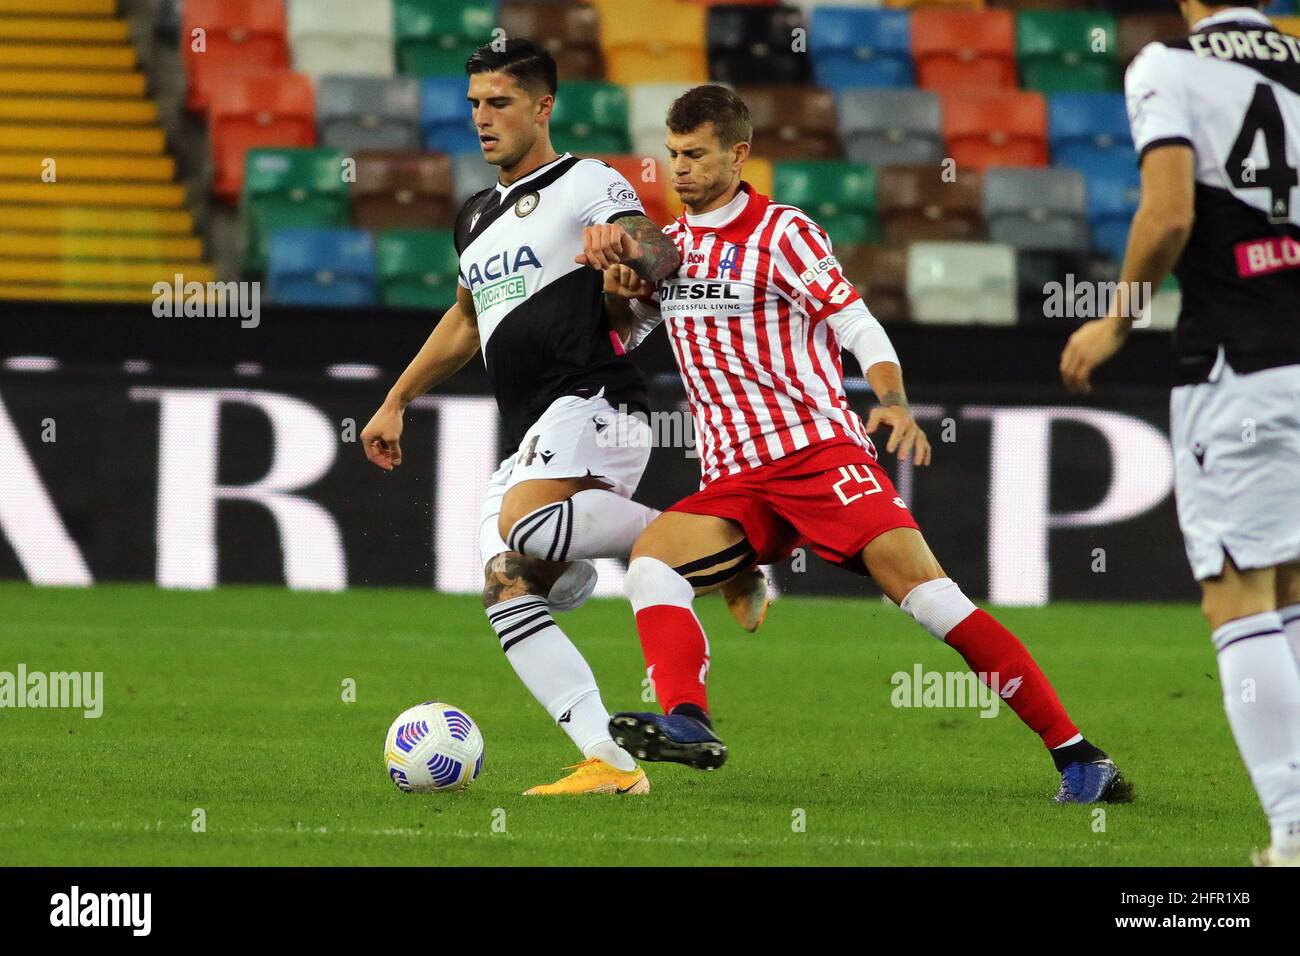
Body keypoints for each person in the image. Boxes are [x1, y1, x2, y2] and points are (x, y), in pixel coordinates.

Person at [598, 84, 1128, 803]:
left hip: (817, 456)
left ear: (738, 154)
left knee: (933, 600)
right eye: (673, 156)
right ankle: (690, 721)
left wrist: (894, 400)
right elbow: (623, 333)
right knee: (652, 562)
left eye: (695, 155)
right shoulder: (672, 250)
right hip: (736, 478)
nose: (680, 169)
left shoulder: (784, 233)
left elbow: (855, 324)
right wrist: (615, 289)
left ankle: (1080, 756)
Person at [361, 41, 761, 796]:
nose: (483, 118)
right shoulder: (474, 217)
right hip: (532, 433)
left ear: (542, 108)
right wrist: (396, 400)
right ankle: (611, 764)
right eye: (475, 102)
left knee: (524, 527)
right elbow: (465, 318)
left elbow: (661, 258)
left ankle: (716, 549)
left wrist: (623, 247)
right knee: (508, 582)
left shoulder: (587, 181)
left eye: (501, 103)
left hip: (592, 401)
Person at [1061, 1, 1300, 863]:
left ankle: (1292, 829)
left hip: (1240, 364)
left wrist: (1118, 320)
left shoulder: (1169, 63)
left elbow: (1167, 216)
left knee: (1237, 591)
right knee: (1293, 591)